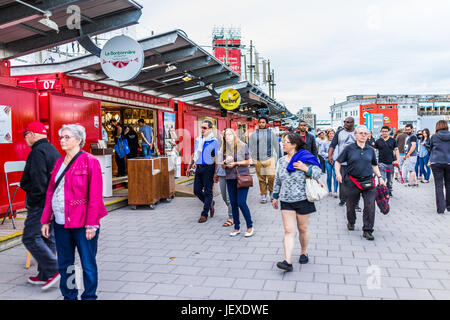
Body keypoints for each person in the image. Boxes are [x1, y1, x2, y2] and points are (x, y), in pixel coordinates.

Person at [41, 124, 107, 300]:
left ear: (79, 140)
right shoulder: (58, 163)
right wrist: (46, 220)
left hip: (83, 224)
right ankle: (69, 295)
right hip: (61, 223)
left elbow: (95, 196)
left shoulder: (90, 161)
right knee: (66, 264)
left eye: (67, 137)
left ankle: (89, 296)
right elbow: (51, 192)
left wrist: (92, 225)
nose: (62, 140)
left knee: (87, 263)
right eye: (61, 137)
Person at [272, 132, 322, 271]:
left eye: (285, 142)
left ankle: (303, 251)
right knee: (289, 230)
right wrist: (275, 195)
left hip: (303, 199)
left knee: (302, 228)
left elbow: (318, 173)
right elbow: (277, 179)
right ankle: (287, 261)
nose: (283, 144)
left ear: (294, 144)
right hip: (286, 200)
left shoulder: (305, 158)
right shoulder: (281, 161)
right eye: (282, 141)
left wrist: (306, 169)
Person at [19, 121, 61, 290]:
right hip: (51, 202)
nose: (25, 139)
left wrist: (35, 203)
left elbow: (38, 181)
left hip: (40, 203)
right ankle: (45, 276)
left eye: (25, 135)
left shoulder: (37, 152)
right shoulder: (52, 149)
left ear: (33, 134)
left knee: (30, 237)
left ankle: (54, 270)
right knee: (47, 237)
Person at [335, 125, 386, 241]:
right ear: (356, 135)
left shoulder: (370, 150)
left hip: (368, 181)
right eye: (361, 133)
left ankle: (367, 230)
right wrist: (338, 174)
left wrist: (380, 177)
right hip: (352, 181)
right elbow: (338, 162)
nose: (363, 135)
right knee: (350, 206)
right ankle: (351, 221)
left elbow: (374, 165)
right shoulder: (349, 149)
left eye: (365, 133)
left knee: (370, 205)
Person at [222, 128, 254, 237]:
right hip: (230, 178)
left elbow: (249, 161)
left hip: (242, 177)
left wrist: (235, 163)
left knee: (241, 202)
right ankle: (237, 227)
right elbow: (222, 165)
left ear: (234, 135)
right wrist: (225, 163)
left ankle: (250, 226)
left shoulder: (243, 146)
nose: (227, 137)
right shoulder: (224, 149)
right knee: (233, 203)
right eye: (225, 135)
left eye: (229, 134)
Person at [188, 120, 219, 223]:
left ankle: (204, 214)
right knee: (196, 190)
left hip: (209, 168)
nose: (202, 130)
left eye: (204, 128)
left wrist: (215, 172)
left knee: (208, 191)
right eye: (201, 127)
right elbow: (194, 154)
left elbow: (217, 158)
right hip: (199, 167)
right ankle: (210, 203)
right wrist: (189, 167)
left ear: (210, 129)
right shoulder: (198, 140)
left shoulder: (214, 141)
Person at [328, 117, 360, 210]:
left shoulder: (357, 132)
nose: (345, 123)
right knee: (342, 182)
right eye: (345, 122)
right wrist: (330, 156)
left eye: (348, 122)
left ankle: (356, 203)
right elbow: (332, 145)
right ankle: (343, 199)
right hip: (342, 162)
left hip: (355, 163)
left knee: (356, 183)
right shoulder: (339, 132)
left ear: (353, 123)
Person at [249, 116, 281, 204]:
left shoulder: (271, 134)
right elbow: (250, 147)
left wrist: (280, 158)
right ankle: (263, 195)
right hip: (257, 159)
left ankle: (271, 192)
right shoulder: (254, 134)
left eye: (263, 122)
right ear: (258, 123)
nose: (261, 124)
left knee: (271, 177)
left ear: (266, 124)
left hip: (269, 159)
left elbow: (277, 146)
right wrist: (250, 158)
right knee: (261, 179)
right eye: (260, 122)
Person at [429, 120, 450, 214]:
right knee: (449, 185)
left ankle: (441, 209)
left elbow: (430, 147)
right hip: (449, 162)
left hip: (436, 162)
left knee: (439, 185)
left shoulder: (434, 136)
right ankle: (449, 206)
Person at [214, 130, 233, 227]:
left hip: (231, 174)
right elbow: (218, 160)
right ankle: (234, 209)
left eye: (227, 134)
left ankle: (231, 217)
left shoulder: (235, 146)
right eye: (223, 134)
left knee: (229, 198)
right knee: (224, 197)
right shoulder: (221, 146)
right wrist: (216, 173)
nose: (225, 136)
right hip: (221, 174)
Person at [374, 126, 400, 197]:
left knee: (390, 179)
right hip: (381, 163)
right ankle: (382, 191)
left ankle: (389, 190)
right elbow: (374, 151)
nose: (384, 132)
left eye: (386, 131)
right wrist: (373, 161)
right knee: (382, 178)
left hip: (391, 163)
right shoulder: (378, 141)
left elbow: (396, 150)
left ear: (389, 132)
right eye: (383, 131)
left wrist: (397, 160)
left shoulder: (393, 140)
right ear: (381, 132)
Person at [319, 129, 338, 197]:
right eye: (330, 133)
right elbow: (320, 152)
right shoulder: (324, 142)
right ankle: (329, 190)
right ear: (328, 134)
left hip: (335, 161)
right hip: (327, 161)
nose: (331, 135)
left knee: (335, 176)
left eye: (333, 133)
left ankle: (335, 191)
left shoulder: (337, 143)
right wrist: (328, 155)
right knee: (329, 176)